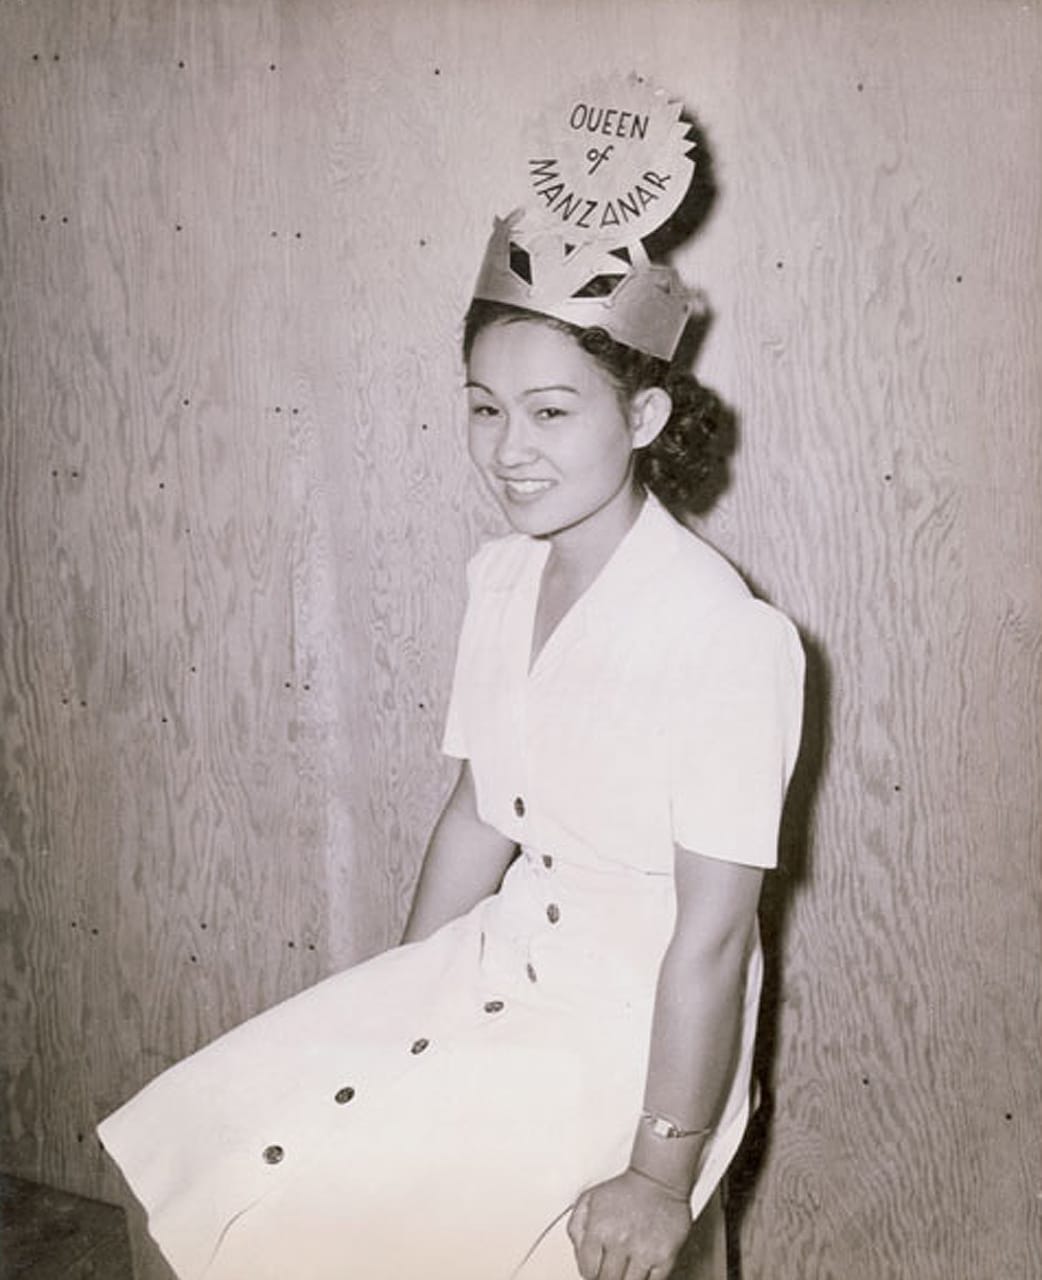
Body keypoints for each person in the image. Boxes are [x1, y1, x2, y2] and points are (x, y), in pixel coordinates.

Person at [99, 127, 804, 1280]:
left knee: (293, 1243)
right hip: (497, 960)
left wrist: (658, 1174)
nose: (508, 450)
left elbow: (713, 940)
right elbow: (479, 811)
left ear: (640, 419)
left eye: (550, 412)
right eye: (485, 408)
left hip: (631, 1035)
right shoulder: (502, 576)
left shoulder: (726, 636)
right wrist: (399, 990)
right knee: (175, 1162)